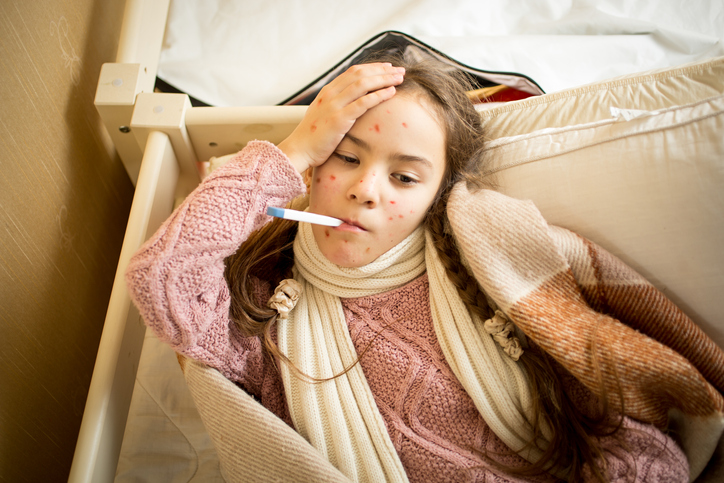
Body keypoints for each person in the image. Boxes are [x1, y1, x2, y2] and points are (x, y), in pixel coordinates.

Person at [126, 55, 720, 482]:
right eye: (344, 156)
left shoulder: (487, 272)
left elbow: (626, 433)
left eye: (405, 177)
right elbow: (162, 278)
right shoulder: (261, 316)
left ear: (436, 198)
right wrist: (295, 149)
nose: (364, 189)